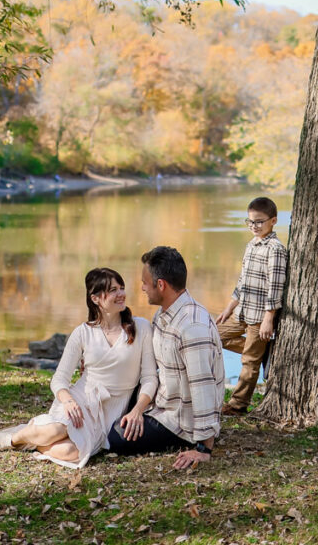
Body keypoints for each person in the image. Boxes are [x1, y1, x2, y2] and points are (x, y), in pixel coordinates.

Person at [0, 268, 157, 468]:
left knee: (71, 453)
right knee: (55, 430)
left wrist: (137, 411)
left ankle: (32, 440)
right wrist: (68, 401)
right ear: (96, 298)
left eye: (122, 288)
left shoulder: (141, 327)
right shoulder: (83, 333)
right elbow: (59, 379)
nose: (121, 294)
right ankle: (10, 440)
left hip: (111, 411)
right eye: (113, 290)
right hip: (81, 400)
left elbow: (150, 378)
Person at [107, 246, 225, 470]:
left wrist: (204, 448)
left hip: (179, 423)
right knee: (105, 397)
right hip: (162, 402)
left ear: (160, 284)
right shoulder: (163, 314)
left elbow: (203, 388)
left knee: (113, 438)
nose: (142, 287)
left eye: (144, 282)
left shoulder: (192, 327)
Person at [215, 196, 288, 416]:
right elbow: (243, 281)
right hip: (242, 310)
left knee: (249, 361)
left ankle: (238, 404)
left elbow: (275, 286)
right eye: (250, 222)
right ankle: (263, 353)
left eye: (259, 221)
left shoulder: (275, 249)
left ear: (273, 221)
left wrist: (269, 318)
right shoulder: (251, 244)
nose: (253, 226)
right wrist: (230, 306)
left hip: (259, 316)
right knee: (213, 335)